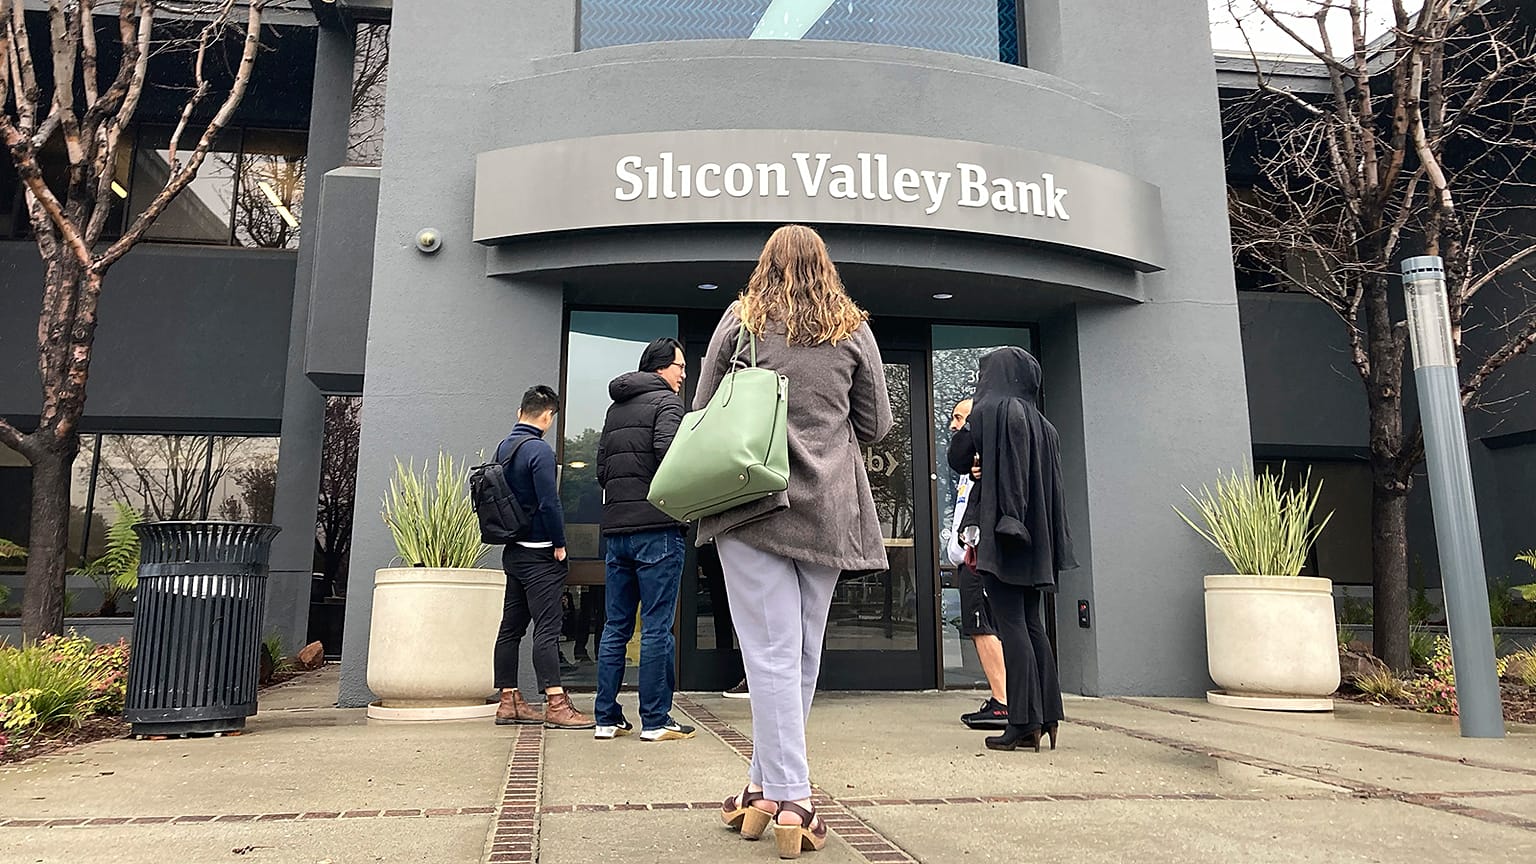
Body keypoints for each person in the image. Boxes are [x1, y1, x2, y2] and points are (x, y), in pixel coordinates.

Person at [705, 225, 892, 859]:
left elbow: (705, 406)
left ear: (765, 265)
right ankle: (762, 787)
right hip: (828, 509)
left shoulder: (743, 320)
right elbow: (877, 423)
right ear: (825, 266)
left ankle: (791, 796)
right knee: (801, 653)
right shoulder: (851, 327)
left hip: (751, 505)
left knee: (769, 653)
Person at [954, 348, 1076, 753]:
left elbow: (957, 457)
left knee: (1010, 626)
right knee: (1031, 622)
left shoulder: (989, 412)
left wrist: (969, 436)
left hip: (1003, 532)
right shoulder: (1044, 425)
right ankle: (1048, 715)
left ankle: (1022, 722)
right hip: (1036, 538)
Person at [592, 338, 697, 742]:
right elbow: (670, 455)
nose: (683, 375)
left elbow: (602, 470)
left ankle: (606, 717)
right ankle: (655, 720)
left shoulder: (615, 409)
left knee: (616, 626)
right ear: (659, 368)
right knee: (656, 627)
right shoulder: (667, 404)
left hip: (617, 532)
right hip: (657, 529)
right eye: (679, 367)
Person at [492, 385, 595, 730]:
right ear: (548, 415)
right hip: (539, 554)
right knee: (547, 630)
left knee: (510, 628)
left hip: (513, 552)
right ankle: (555, 702)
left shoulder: (504, 448)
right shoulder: (539, 451)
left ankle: (509, 701)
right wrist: (560, 544)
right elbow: (550, 503)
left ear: (520, 411)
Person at [945, 398, 1009, 730]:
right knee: (980, 628)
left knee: (984, 628)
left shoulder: (987, 465)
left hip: (978, 562)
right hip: (968, 559)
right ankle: (1004, 698)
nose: (954, 425)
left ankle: (1003, 702)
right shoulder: (968, 470)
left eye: (960, 418)